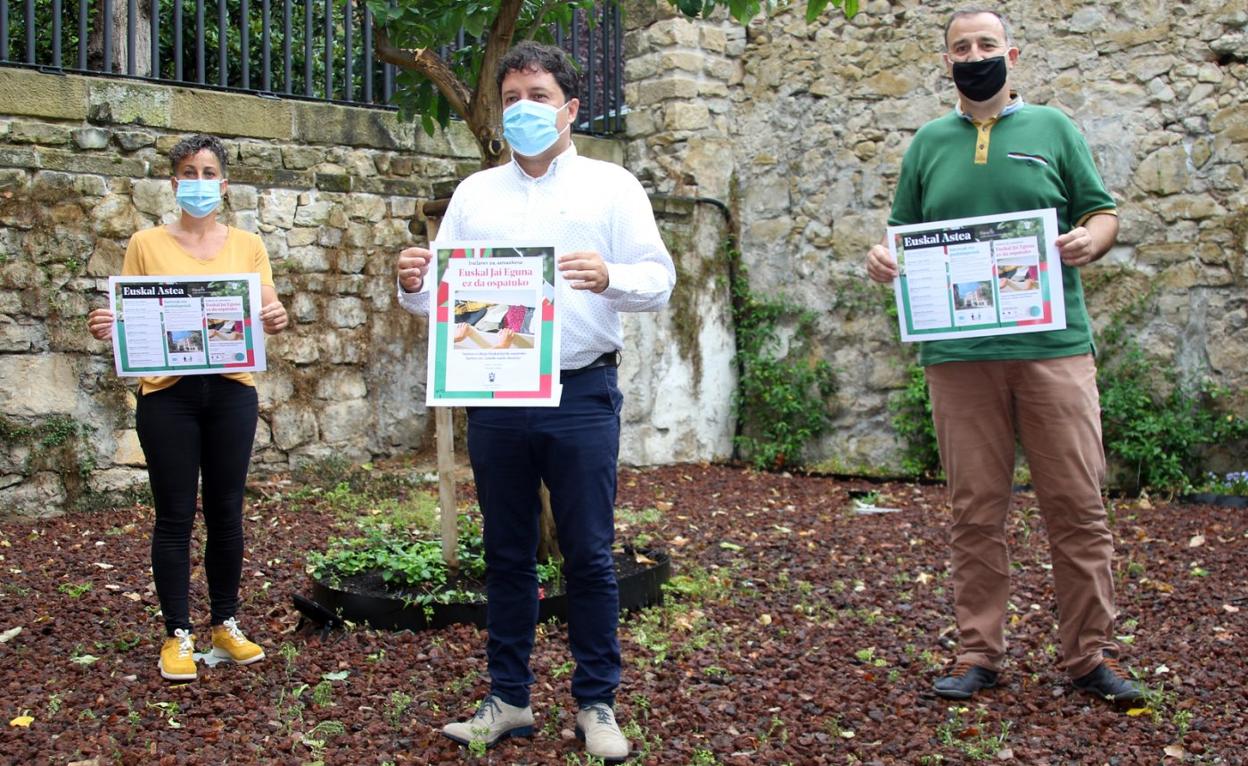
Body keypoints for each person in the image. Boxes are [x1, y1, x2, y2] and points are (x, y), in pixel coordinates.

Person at [395, 41, 675, 761]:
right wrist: (412, 283)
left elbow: (659, 281)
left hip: (581, 390)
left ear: (569, 108)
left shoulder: (613, 187)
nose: (522, 109)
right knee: (506, 552)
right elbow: (439, 300)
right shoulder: (474, 194)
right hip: (496, 391)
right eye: (511, 97)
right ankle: (509, 699)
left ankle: (596, 704)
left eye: (538, 96)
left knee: (588, 553)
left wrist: (611, 276)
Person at [866, 9, 1144, 706]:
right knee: (974, 511)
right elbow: (901, 234)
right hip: (958, 357)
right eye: (961, 47)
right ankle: (978, 653)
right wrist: (883, 257)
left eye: (986, 44)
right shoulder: (929, 143)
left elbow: (1102, 212)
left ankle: (1087, 656)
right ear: (947, 61)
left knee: (1078, 505)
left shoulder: (1054, 129)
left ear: (1011, 54)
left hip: (1053, 349)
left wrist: (1092, 239)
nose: (974, 55)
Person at [86, 134, 289, 682]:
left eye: (208, 173)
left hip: (231, 391)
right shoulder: (145, 243)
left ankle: (225, 623)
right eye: (188, 173)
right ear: (173, 184)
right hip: (166, 395)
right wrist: (107, 323)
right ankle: (177, 632)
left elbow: (267, 304)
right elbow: (127, 314)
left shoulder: (248, 244)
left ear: (224, 184)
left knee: (226, 512)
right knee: (174, 515)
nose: (198, 182)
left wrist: (276, 316)